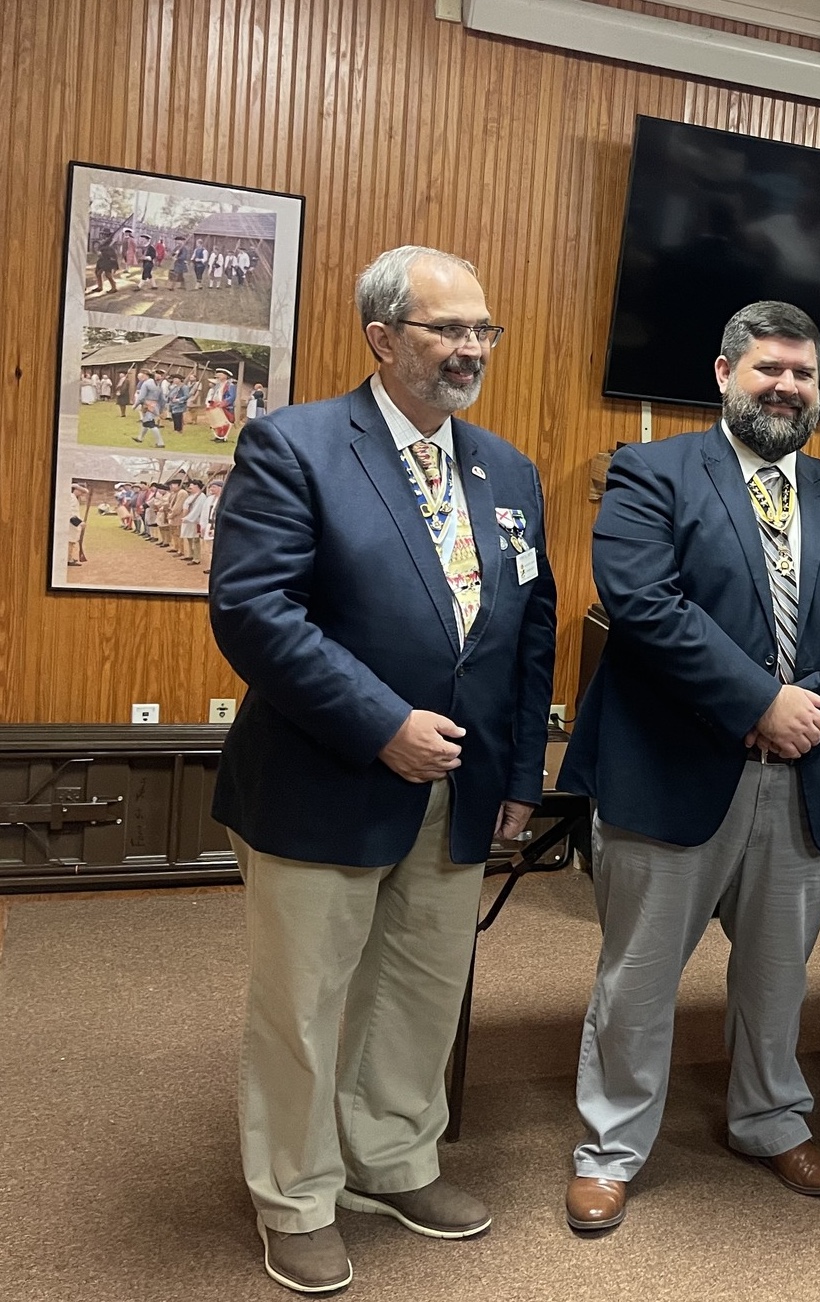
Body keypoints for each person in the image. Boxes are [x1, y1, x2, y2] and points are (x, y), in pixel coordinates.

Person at [208, 244, 556, 1294]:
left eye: (482, 330)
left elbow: (527, 628)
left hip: (461, 791)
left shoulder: (509, 471)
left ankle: (395, 1157)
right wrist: (381, 724)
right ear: (383, 338)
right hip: (323, 779)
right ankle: (298, 1195)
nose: (470, 350)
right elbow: (254, 611)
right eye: (449, 329)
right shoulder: (296, 446)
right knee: (306, 1005)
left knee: (418, 990)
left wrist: (517, 777)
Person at [559, 301, 820, 1234]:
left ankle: (769, 1117)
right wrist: (759, 703)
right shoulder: (649, 472)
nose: (786, 387)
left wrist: (810, 708)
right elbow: (641, 601)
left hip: (805, 775)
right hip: (670, 771)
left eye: (802, 374)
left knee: (775, 974)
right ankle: (610, 1148)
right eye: (768, 370)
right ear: (723, 375)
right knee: (637, 978)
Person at [133, 368, 165, 447]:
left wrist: (135, 405)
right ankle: (140, 438)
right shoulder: (158, 385)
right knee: (145, 422)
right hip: (155, 405)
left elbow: (141, 397)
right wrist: (161, 409)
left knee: (150, 423)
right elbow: (162, 399)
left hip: (148, 404)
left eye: (143, 375)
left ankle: (160, 443)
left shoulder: (146, 383)